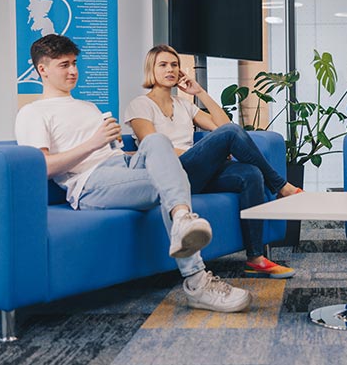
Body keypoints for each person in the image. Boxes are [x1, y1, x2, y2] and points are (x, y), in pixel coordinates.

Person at [15, 34, 251, 313]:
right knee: (170, 179)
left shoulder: (87, 107)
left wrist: (128, 152)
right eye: (64, 65)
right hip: (90, 183)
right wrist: (95, 142)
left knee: (156, 141)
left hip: (121, 168)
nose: (73, 71)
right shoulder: (33, 113)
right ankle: (197, 281)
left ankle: (182, 219)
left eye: (75, 63)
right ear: (42, 69)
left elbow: (114, 152)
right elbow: (41, 167)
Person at [125, 44, 300, 279]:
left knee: (250, 174)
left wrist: (199, 93)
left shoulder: (184, 105)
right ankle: (281, 186)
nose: (170, 70)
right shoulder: (140, 104)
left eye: (174, 65)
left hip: (195, 172)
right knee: (229, 135)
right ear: (151, 70)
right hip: (170, 175)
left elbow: (223, 125)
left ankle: (255, 258)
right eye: (163, 65)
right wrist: (205, 152)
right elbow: (152, 147)